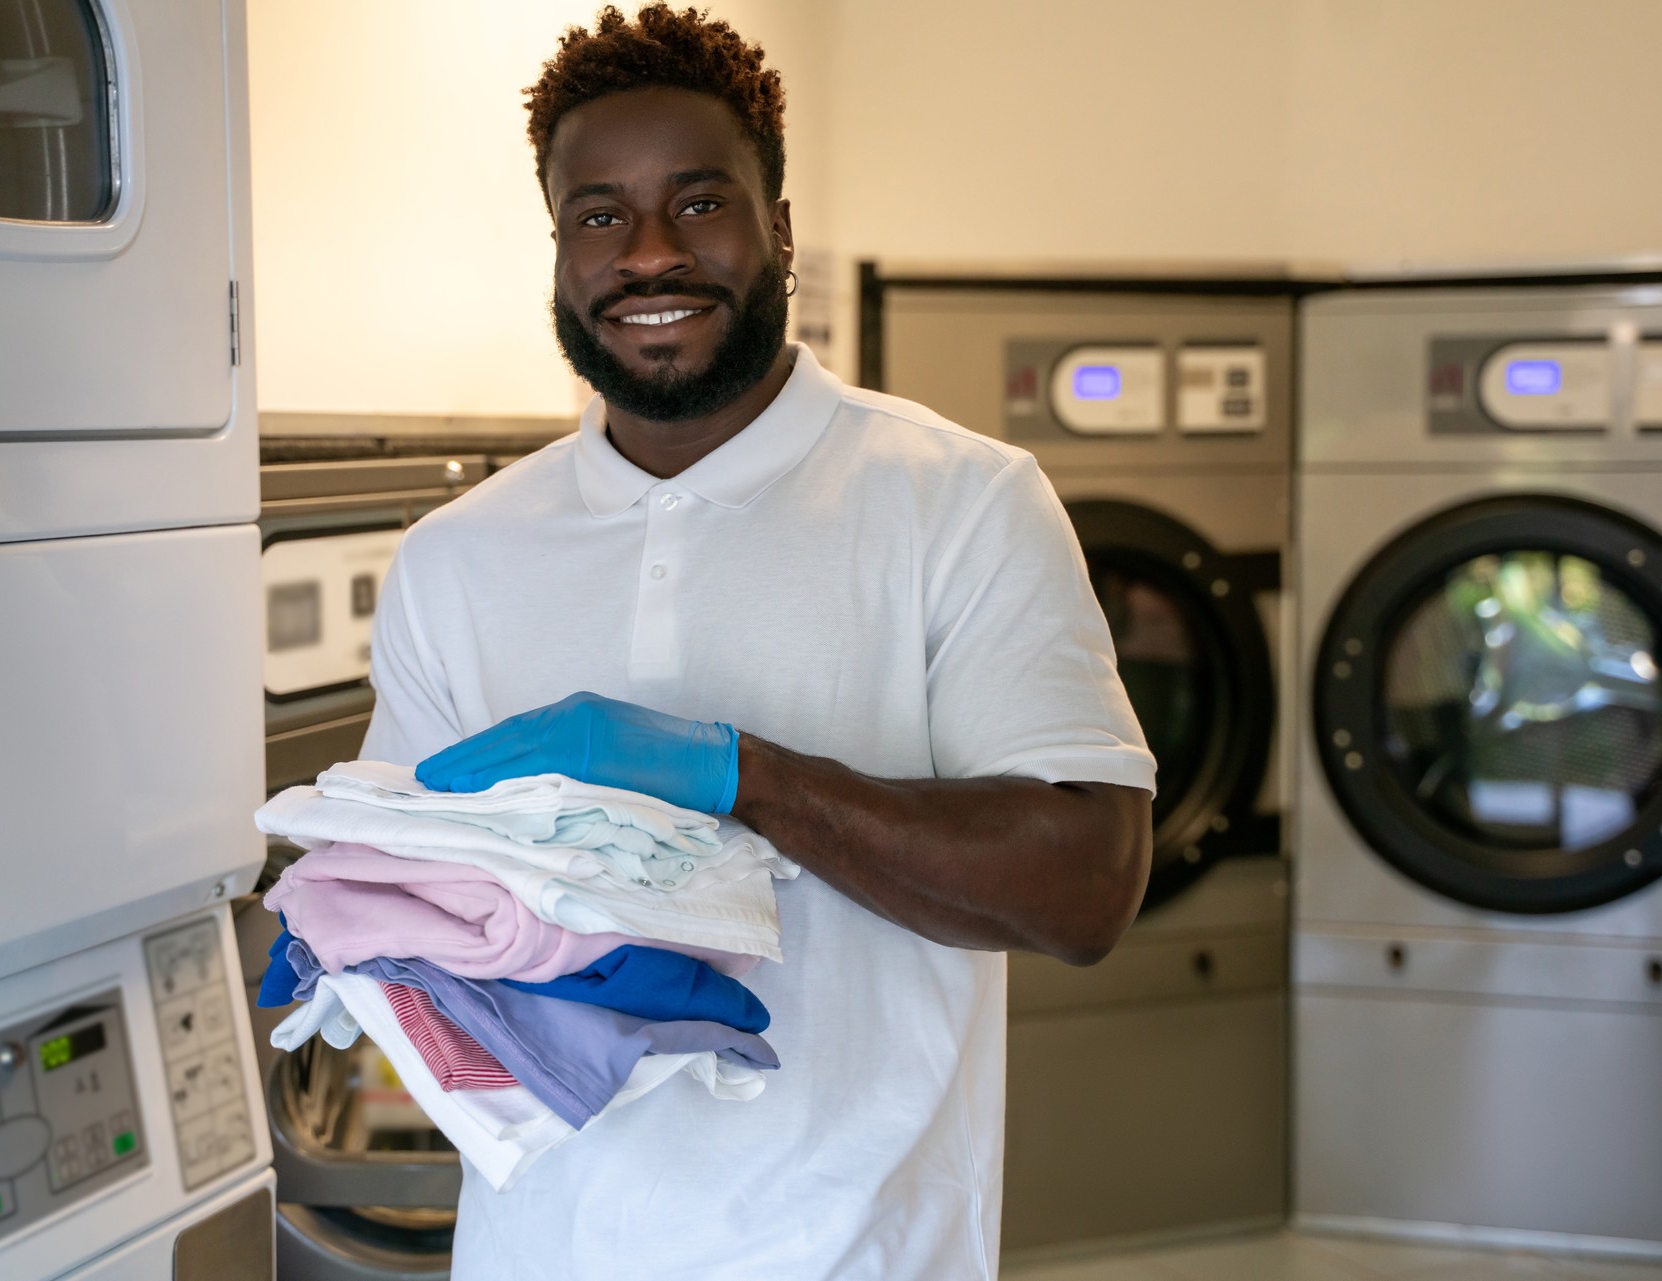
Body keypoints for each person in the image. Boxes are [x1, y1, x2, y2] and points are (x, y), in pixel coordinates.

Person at [359, 5, 1157, 1277]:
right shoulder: (456, 558)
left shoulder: (959, 501)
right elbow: (415, 910)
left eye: (699, 202)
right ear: (560, 248)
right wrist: (360, 921)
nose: (651, 254)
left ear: (779, 227)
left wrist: (746, 778)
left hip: (857, 1250)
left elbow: (1087, 887)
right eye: (600, 215)